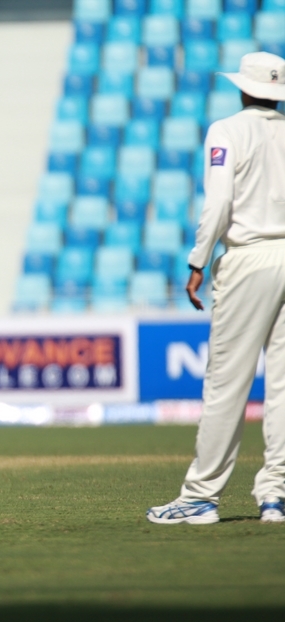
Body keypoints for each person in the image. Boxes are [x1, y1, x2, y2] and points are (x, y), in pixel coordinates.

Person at [147, 53, 285, 525]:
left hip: (249, 258)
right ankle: (277, 496)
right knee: (284, 387)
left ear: (242, 88)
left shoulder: (227, 130)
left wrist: (197, 259)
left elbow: (220, 199)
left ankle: (201, 496)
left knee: (227, 383)